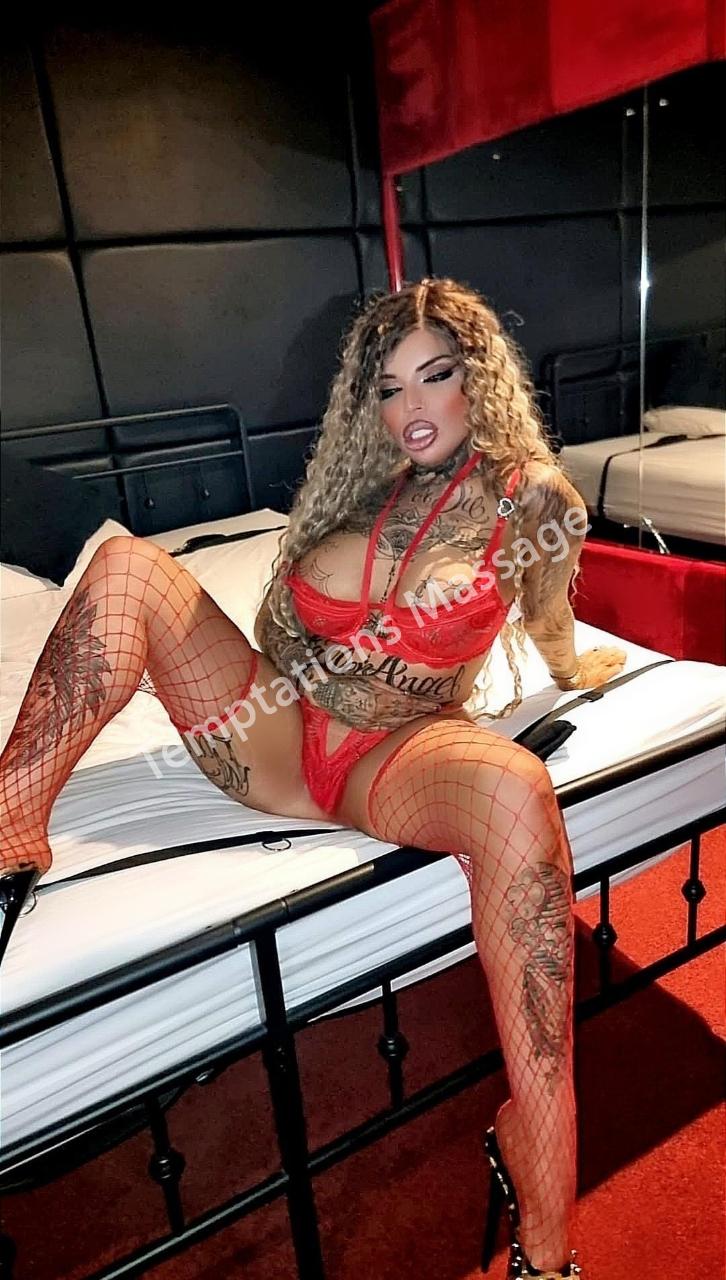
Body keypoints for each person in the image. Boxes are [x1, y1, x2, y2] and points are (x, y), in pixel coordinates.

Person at [1, 277, 625, 1277]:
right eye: (389, 387)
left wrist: (570, 666)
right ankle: (9, 830)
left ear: (479, 379)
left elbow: (549, 608)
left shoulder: (534, 498)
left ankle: (543, 1207)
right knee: (124, 571)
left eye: (436, 375)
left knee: (516, 787)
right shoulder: (356, 490)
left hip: (399, 750)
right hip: (280, 736)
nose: (412, 405)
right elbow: (275, 639)